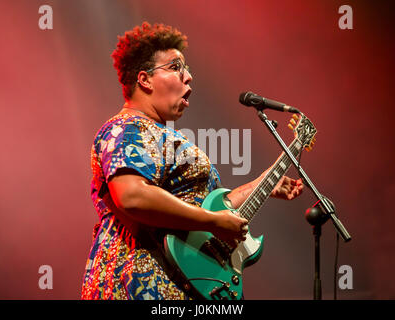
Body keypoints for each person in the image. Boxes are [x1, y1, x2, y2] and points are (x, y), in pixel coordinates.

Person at [80, 22, 303, 300]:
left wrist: (262, 185)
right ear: (144, 80)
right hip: (137, 284)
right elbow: (133, 196)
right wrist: (212, 222)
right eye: (175, 67)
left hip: (181, 286)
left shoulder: (165, 135)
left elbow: (205, 208)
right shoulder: (126, 128)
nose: (189, 77)